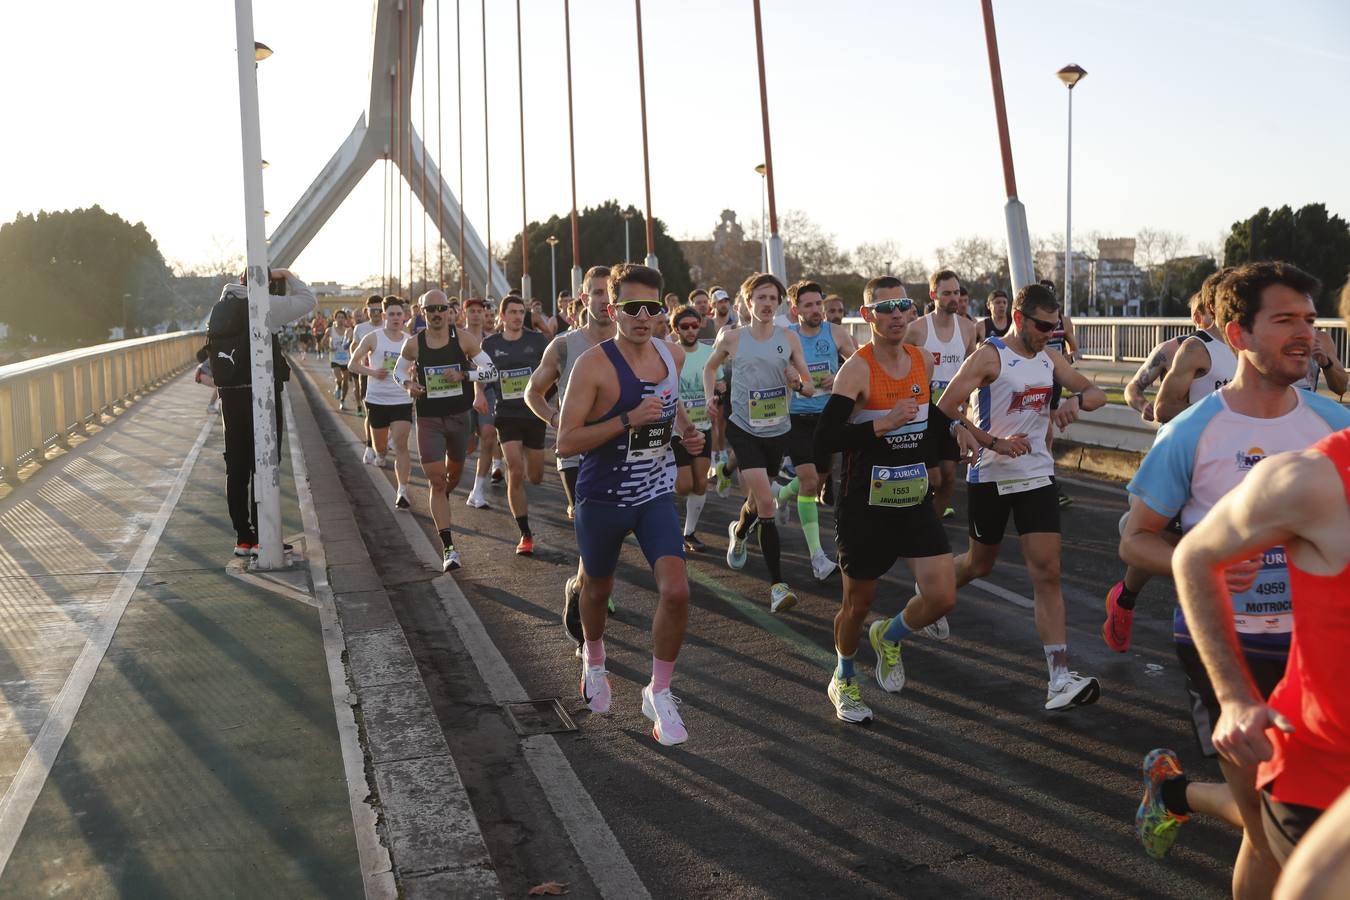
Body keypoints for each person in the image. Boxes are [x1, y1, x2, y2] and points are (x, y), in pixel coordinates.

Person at [1122, 263, 1350, 895]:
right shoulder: (1191, 433)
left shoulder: (1334, 423)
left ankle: (1175, 791)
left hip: (1319, 651)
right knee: (1266, 827)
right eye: (1285, 321)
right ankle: (1176, 792)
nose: (1305, 333)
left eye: (1309, 319)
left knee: (1273, 829)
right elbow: (1134, 538)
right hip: (1230, 645)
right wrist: (1201, 555)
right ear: (1238, 335)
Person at [555, 263, 704, 745]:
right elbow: (565, 442)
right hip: (602, 496)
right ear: (613, 309)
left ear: (663, 309)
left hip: (654, 491)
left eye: (652, 307)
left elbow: (669, 402)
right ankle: (594, 658)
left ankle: (659, 691)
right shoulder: (593, 365)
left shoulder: (670, 353)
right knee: (596, 590)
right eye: (631, 307)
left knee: (677, 590)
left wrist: (686, 432)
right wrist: (626, 420)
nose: (643, 316)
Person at [940, 282, 1106, 710]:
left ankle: (1058, 679)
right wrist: (990, 442)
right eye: (1043, 326)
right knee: (979, 563)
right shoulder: (990, 356)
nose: (1050, 334)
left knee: (1047, 572)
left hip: (1036, 475)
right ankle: (933, 598)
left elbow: (1096, 393)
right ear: (1018, 318)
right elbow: (946, 407)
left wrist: (1073, 403)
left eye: (1055, 326)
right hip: (992, 475)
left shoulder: (1050, 358)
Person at [816, 276, 954, 723]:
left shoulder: (922, 361)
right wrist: (881, 424)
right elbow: (825, 438)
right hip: (865, 507)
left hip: (913, 497)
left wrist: (965, 433)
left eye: (903, 306)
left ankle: (889, 636)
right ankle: (844, 677)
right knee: (856, 605)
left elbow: (927, 416)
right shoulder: (856, 369)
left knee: (942, 596)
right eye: (885, 307)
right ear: (867, 315)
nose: (896, 314)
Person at [704, 272, 815, 613]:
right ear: (748, 302)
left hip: (778, 429)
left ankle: (739, 529)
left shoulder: (788, 338)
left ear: (780, 304)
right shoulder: (731, 337)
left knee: (758, 500)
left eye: (773, 299)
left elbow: (810, 386)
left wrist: (797, 384)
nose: (768, 304)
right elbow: (710, 369)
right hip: (744, 428)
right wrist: (711, 396)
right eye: (761, 298)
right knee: (769, 504)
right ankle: (778, 587)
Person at [209, 268, 315, 556]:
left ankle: (244, 538)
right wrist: (290, 275)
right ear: (267, 283)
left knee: (237, 466)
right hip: (261, 393)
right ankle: (265, 536)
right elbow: (307, 301)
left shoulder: (221, 305)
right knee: (265, 461)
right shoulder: (264, 303)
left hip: (230, 395)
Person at [398, 290, 493, 571]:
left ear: (449, 311)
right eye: (431, 309)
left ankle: (443, 498)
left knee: (453, 475)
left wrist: (465, 375)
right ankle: (449, 548)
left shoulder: (464, 339)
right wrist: (407, 385)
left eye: (442, 308)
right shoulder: (414, 345)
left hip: (459, 417)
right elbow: (399, 372)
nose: (437, 313)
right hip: (428, 418)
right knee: (437, 481)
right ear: (422, 312)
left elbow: (490, 370)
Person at [775, 280, 858, 581]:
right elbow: (772, 369)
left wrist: (838, 377)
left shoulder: (836, 333)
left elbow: (859, 364)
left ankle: (780, 494)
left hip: (828, 417)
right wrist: (791, 377)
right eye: (808, 305)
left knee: (816, 480)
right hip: (795, 417)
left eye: (818, 304)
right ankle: (817, 558)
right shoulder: (786, 337)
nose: (815, 310)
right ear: (795, 309)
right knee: (810, 483)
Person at [526, 266, 614, 521]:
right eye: (598, 292)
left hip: (619, 448)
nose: (605, 299)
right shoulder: (563, 346)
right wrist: (555, 420)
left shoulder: (631, 344)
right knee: (588, 522)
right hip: (576, 451)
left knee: (615, 527)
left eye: (609, 292)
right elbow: (532, 393)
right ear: (584, 298)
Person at [903, 269, 978, 520]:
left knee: (947, 475)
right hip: (921, 413)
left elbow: (970, 371)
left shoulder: (968, 328)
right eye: (947, 293)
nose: (953, 298)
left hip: (951, 414)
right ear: (933, 294)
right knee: (928, 475)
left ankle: (931, 526)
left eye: (956, 292)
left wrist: (966, 408)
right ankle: (914, 519)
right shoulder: (915, 330)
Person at [482, 295, 551, 554]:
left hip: (534, 414)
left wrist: (548, 396)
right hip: (507, 413)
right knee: (514, 468)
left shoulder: (536, 341)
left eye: (521, 312)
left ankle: (528, 474)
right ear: (502, 316)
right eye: (512, 312)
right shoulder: (491, 344)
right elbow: (481, 371)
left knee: (535, 476)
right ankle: (525, 534)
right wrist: (479, 393)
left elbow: (553, 369)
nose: (517, 316)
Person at [349, 296, 415, 509]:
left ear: (405, 317)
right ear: (385, 316)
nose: (396, 318)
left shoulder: (410, 340)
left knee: (401, 445)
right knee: (381, 449)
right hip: (377, 400)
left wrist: (413, 375)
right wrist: (372, 372)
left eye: (400, 314)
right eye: (392, 314)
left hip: (401, 398)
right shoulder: (373, 338)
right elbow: (352, 364)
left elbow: (416, 366)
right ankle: (378, 452)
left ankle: (402, 491)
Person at [1153, 268, 1239, 424]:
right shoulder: (1196, 348)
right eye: (1231, 298)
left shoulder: (1251, 343)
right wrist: (1221, 417)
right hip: (1206, 443)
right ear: (1212, 306)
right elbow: (1163, 408)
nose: (1240, 304)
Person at [670, 306, 715, 552]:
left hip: (703, 427)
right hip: (677, 431)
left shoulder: (709, 353)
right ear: (676, 329)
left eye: (694, 326)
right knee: (683, 485)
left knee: (700, 482)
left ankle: (689, 532)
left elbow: (718, 383)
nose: (690, 330)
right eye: (684, 326)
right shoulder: (671, 354)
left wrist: (718, 390)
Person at [462, 297, 501, 509]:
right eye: (472, 311)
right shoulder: (457, 338)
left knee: (488, 437)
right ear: (464, 313)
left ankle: (477, 491)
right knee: (468, 446)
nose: (476, 314)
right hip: (463, 394)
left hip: (489, 393)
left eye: (480, 311)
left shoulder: (491, 339)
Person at [353, 294, 385, 437]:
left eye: (379, 310)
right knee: (370, 413)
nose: (376, 314)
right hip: (367, 373)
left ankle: (383, 439)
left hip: (388, 375)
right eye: (373, 311)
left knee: (387, 412)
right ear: (367, 311)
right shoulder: (360, 328)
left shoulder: (390, 326)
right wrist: (358, 360)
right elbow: (353, 347)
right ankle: (370, 444)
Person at [328, 309, 354, 410]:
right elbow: (323, 341)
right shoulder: (330, 330)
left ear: (345, 319)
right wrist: (329, 348)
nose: (340, 319)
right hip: (334, 358)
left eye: (342, 317)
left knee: (346, 381)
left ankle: (342, 401)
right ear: (335, 318)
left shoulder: (349, 331)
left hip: (346, 359)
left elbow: (351, 343)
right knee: (339, 378)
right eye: (338, 317)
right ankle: (338, 386)